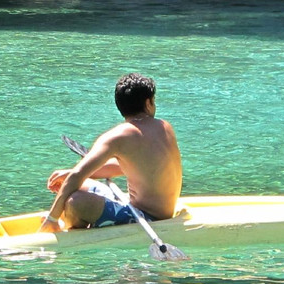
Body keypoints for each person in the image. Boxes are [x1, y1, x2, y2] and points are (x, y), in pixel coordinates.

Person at [39, 73, 182, 233]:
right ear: (148, 103)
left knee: (75, 201)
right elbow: (135, 168)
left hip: (147, 218)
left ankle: (62, 226)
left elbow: (77, 176)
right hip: (144, 209)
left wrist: (52, 217)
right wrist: (71, 174)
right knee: (74, 183)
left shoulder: (117, 136)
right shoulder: (165, 127)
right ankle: (69, 219)